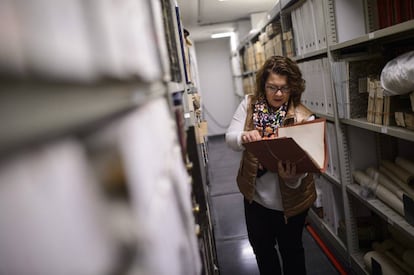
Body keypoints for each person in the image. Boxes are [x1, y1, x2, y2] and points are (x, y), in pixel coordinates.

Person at [226, 55, 317, 275]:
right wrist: (243, 137)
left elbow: (308, 164)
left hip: (291, 204)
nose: (278, 94)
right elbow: (230, 137)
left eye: (284, 89)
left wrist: (292, 178)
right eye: (272, 87)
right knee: (263, 252)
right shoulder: (249, 105)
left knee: (292, 252)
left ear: (293, 88)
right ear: (263, 85)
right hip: (255, 200)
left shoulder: (305, 118)